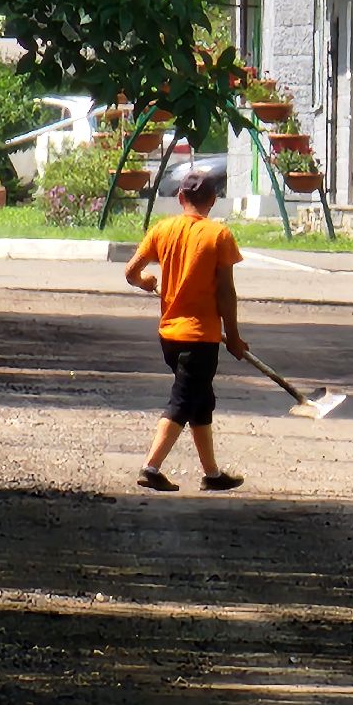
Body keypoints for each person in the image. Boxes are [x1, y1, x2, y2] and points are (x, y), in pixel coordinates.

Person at [124, 170, 247, 493]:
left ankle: (212, 473)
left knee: (200, 401)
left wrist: (146, 282)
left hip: (169, 336)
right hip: (200, 338)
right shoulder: (218, 236)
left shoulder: (163, 229)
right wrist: (232, 335)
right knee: (183, 401)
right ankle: (151, 467)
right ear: (213, 201)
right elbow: (225, 292)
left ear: (180, 199)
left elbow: (131, 271)